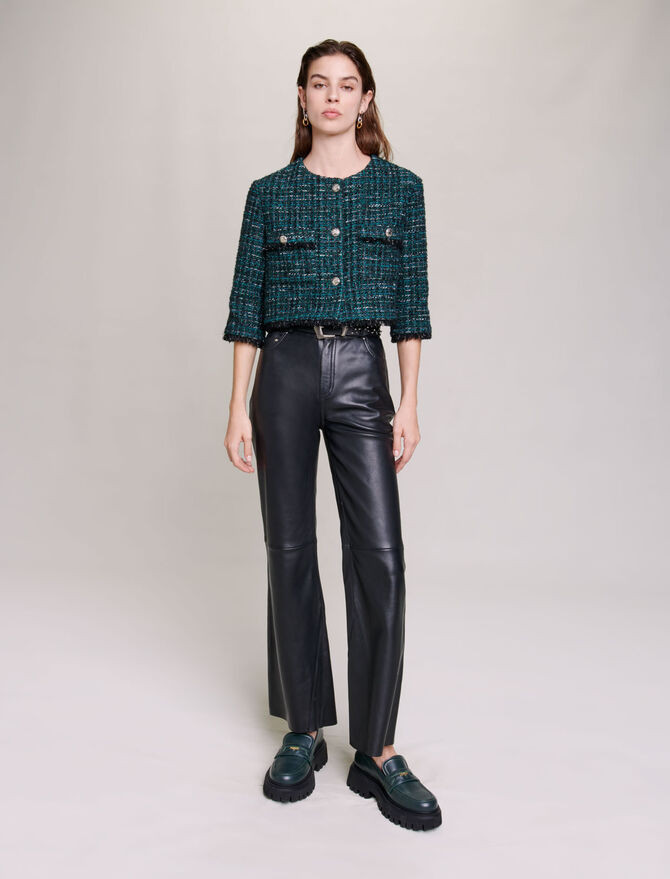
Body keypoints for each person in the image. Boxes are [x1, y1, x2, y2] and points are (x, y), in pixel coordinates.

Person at [222, 39, 441, 832]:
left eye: (348, 85)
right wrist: (237, 405)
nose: (334, 97)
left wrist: (408, 403)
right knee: (288, 549)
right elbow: (245, 306)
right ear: (303, 96)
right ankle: (304, 728)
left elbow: (411, 306)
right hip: (282, 370)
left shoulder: (401, 190)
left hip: (360, 368)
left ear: (366, 99)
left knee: (380, 554)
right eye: (320, 84)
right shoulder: (269, 194)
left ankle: (377, 746)